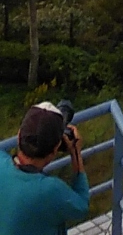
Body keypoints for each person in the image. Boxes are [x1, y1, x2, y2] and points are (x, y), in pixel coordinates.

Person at [0, 101, 90, 235]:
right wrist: (75, 153)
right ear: (55, 149)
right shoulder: (51, 190)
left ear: (19, 137)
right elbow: (81, 207)